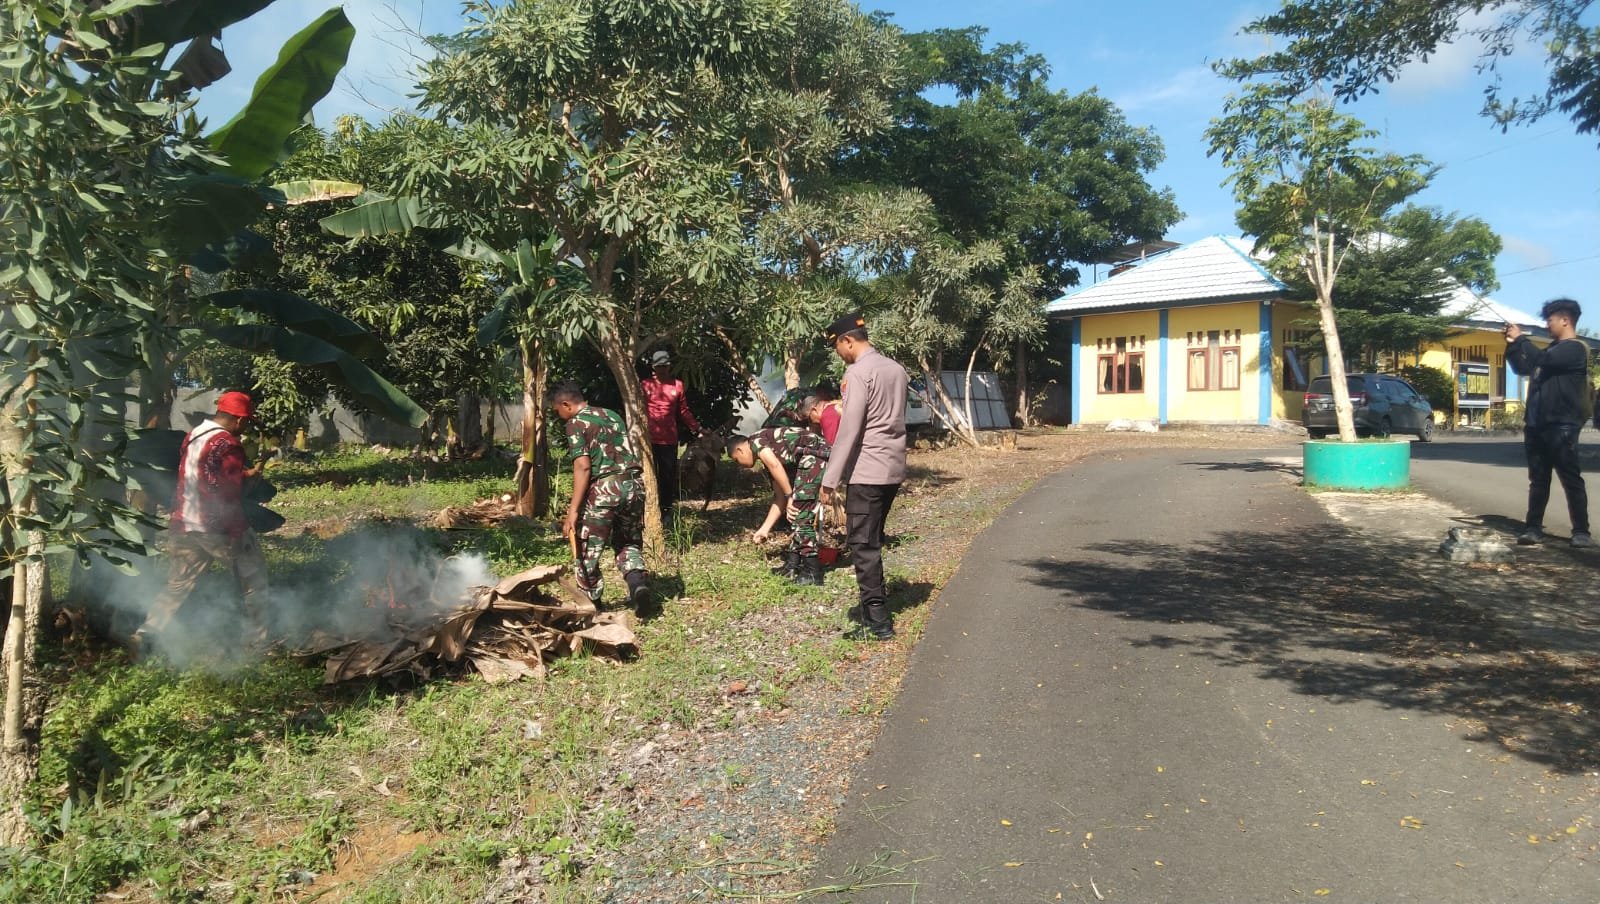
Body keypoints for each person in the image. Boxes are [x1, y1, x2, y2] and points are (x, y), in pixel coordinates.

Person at [134, 391, 270, 655]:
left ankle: (145, 633)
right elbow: (229, 493)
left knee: (177, 585)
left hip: (184, 523)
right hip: (217, 527)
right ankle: (258, 641)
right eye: (247, 422)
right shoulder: (229, 444)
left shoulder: (194, 435)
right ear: (239, 420)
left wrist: (245, 475)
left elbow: (206, 475)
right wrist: (235, 530)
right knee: (254, 579)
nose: (246, 427)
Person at [819, 313, 907, 640]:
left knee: (862, 545)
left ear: (848, 340)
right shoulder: (896, 369)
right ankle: (877, 601)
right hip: (893, 467)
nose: (839, 354)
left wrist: (830, 479)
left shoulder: (858, 373)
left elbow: (849, 430)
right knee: (873, 538)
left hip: (867, 470)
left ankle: (877, 622)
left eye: (837, 347)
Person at [549, 382, 655, 614]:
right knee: (628, 542)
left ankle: (592, 603)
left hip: (605, 489)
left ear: (566, 404)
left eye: (558, 410)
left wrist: (573, 511)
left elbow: (583, 467)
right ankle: (637, 586)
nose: (559, 416)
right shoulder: (611, 414)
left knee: (587, 549)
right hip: (634, 486)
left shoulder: (575, 423)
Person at [1505, 298, 1592, 547]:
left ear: (1565, 320)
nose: (1547, 324)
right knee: (1539, 480)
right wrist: (1512, 345)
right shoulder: (1550, 351)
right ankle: (1533, 528)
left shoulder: (1574, 349)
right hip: (1536, 425)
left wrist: (1522, 338)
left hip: (1562, 425)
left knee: (1570, 478)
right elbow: (1523, 366)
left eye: (1550, 320)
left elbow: (1541, 361)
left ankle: (1581, 531)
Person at [728, 414, 830, 585]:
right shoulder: (769, 453)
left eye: (737, 460)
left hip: (815, 455)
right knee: (795, 514)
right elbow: (779, 498)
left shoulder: (756, 441)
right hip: (806, 458)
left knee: (800, 513)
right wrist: (764, 529)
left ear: (739, 450)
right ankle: (792, 566)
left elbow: (776, 469)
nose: (740, 465)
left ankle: (813, 571)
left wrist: (791, 496)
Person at [641, 350, 704, 520]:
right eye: (658, 367)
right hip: (649, 439)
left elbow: (683, 411)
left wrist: (697, 428)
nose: (662, 370)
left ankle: (666, 510)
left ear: (669, 366)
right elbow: (638, 411)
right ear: (653, 367)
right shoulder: (645, 385)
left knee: (667, 475)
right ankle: (647, 510)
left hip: (669, 438)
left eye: (665, 366)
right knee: (648, 475)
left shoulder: (678, 385)